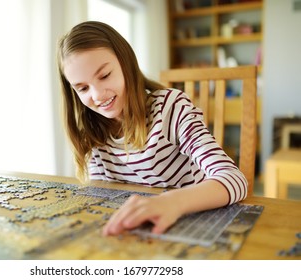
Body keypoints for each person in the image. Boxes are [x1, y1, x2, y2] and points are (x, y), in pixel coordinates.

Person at [57, 21, 247, 236]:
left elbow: (234, 179)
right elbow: (104, 198)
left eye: (104, 76)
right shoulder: (92, 132)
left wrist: (171, 202)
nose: (98, 95)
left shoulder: (171, 107)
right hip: (143, 233)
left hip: (194, 224)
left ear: (126, 62)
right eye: (82, 88)